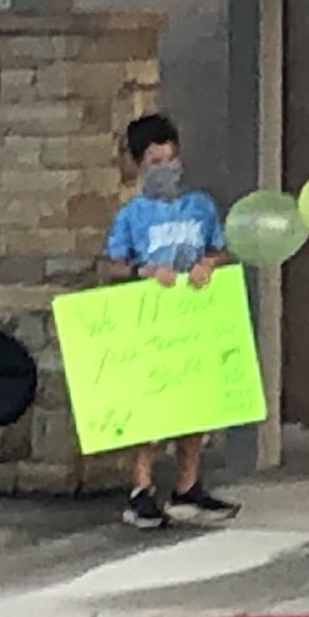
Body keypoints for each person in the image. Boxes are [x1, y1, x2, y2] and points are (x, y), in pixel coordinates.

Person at [102, 113, 242, 529]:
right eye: (155, 162)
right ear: (139, 165)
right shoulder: (132, 214)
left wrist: (208, 263)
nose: (166, 169)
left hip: (193, 317)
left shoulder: (199, 206)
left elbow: (220, 249)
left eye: (171, 160)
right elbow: (111, 264)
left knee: (194, 404)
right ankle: (140, 490)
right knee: (151, 407)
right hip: (151, 321)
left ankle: (187, 486)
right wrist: (141, 272)